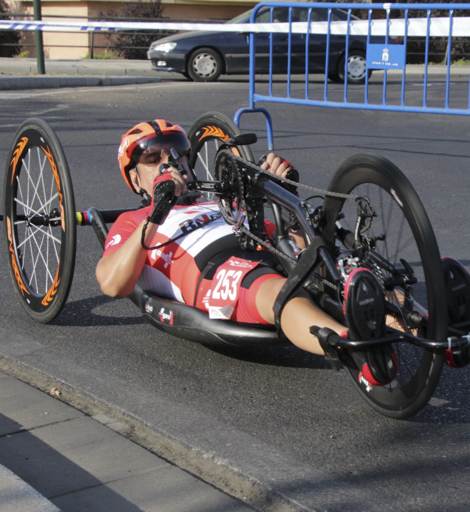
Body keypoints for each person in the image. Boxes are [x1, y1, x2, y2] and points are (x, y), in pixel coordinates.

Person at [95, 120, 396, 387]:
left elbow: (297, 246)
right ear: (135, 179)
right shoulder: (132, 222)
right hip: (216, 270)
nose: (170, 162)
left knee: (349, 274)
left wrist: (286, 199)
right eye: (152, 157)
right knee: (276, 288)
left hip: (265, 251)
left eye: (177, 152)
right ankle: (356, 349)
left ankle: (425, 324)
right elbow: (112, 283)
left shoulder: (221, 203)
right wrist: (160, 207)